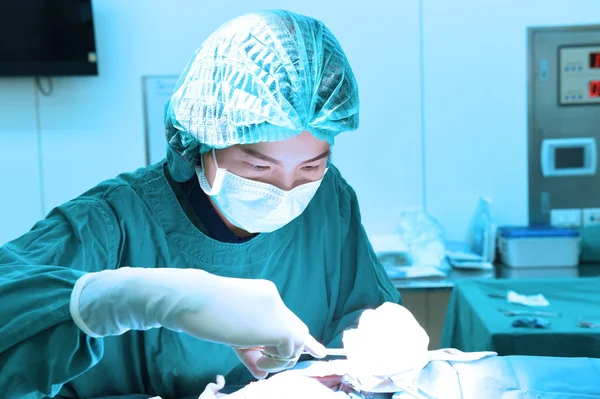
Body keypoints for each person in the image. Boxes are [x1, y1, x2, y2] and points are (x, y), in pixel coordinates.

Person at [0, 9, 401, 399]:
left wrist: (379, 338)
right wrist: (140, 299)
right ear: (202, 143)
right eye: (258, 166)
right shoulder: (109, 225)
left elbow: (361, 312)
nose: (286, 188)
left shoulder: (330, 202)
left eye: (312, 166)